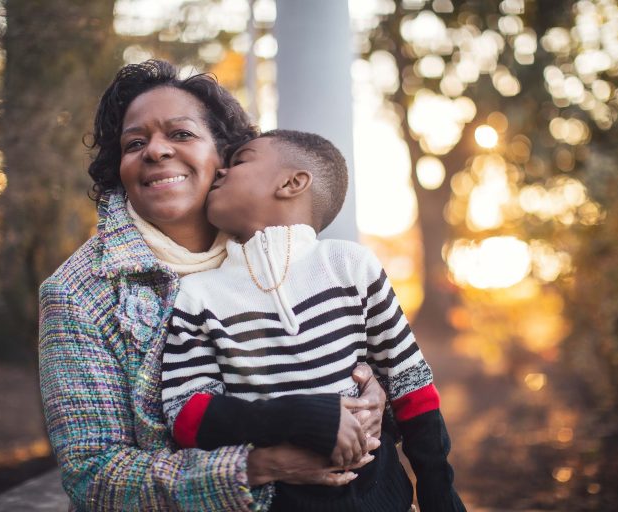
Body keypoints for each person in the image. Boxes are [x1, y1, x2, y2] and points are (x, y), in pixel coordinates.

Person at [38, 60, 387, 512]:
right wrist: (258, 467)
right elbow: (93, 476)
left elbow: (344, 357)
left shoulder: (281, 250)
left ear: (224, 156)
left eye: (180, 134)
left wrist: (374, 397)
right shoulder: (77, 294)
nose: (156, 151)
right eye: (134, 143)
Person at [161, 130, 466, 511]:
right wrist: (297, 417)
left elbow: (411, 385)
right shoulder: (199, 294)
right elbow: (185, 416)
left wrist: (441, 495)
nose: (219, 171)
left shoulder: (350, 265)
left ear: (292, 182)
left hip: (382, 497)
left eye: (240, 161)